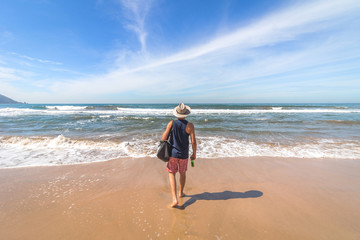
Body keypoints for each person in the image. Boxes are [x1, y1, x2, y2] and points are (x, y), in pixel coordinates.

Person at [162, 103, 197, 208]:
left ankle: (174, 199)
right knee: (182, 173)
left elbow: (163, 138)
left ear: (176, 113)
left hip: (172, 154)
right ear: (186, 114)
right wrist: (194, 154)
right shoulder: (190, 125)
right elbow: (193, 142)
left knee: (172, 173)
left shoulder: (171, 123)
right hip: (184, 155)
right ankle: (180, 193)